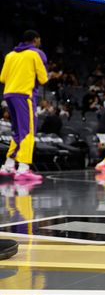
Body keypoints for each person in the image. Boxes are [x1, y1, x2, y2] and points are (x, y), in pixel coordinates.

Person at [0, 30, 48, 182]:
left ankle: (8, 164)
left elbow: (2, 78)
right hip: (24, 95)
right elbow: (43, 79)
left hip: (9, 94)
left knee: (18, 131)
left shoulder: (10, 55)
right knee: (28, 131)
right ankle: (23, 168)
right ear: (35, 40)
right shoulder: (36, 54)